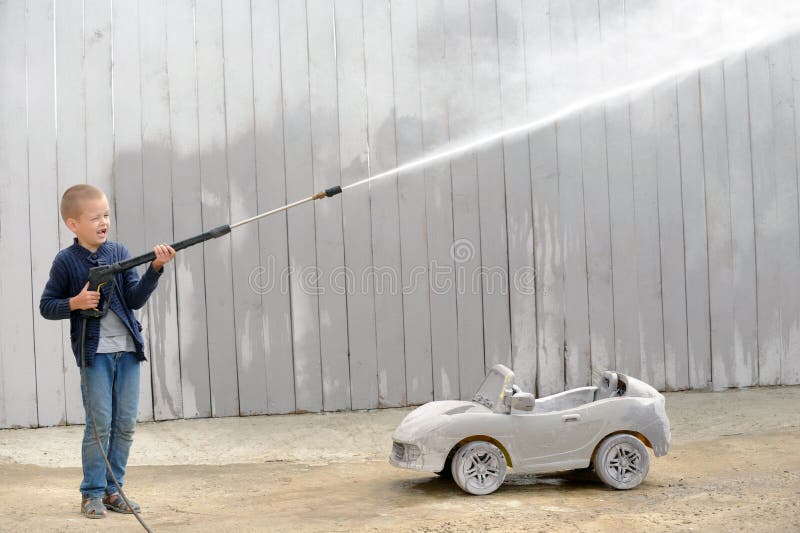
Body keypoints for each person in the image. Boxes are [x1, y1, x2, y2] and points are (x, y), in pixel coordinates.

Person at [39, 184, 176, 519]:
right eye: (95, 217)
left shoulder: (118, 252)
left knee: (125, 423)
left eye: (106, 215)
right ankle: (92, 493)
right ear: (73, 224)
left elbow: (134, 299)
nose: (104, 222)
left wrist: (154, 269)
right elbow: (47, 305)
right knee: (100, 424)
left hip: (127, 353)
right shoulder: (66, 262)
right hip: (95, 356)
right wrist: (74, 303)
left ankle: (115, 490)